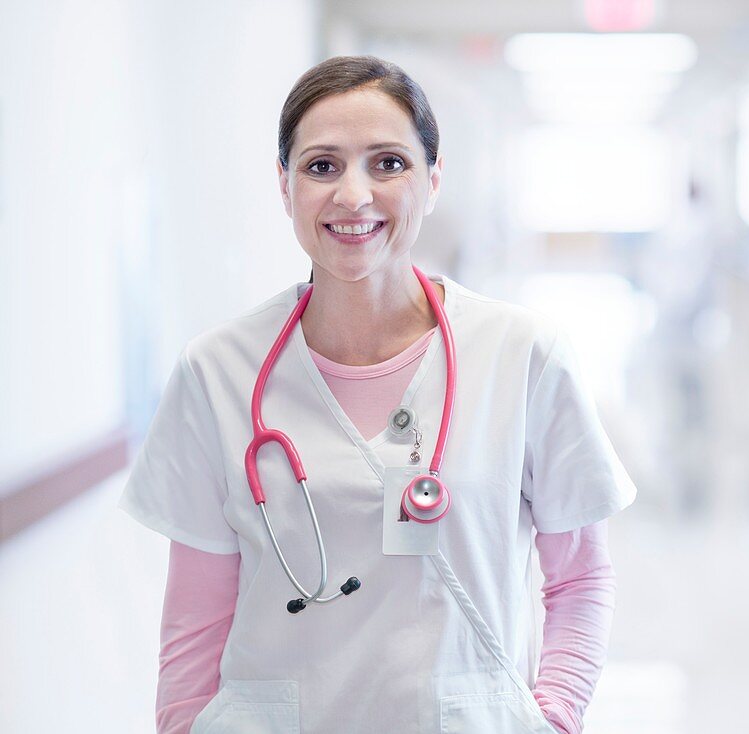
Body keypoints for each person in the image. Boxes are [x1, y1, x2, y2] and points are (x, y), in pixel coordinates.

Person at [120, 55, 636, 733]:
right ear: (285, 185)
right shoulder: (216, 371)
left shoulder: (524, 356)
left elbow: (579, 582)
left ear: (434, 178)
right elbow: (195, 616)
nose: (354, 195)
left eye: (388, 164)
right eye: (322, 166)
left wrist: (553, 716)